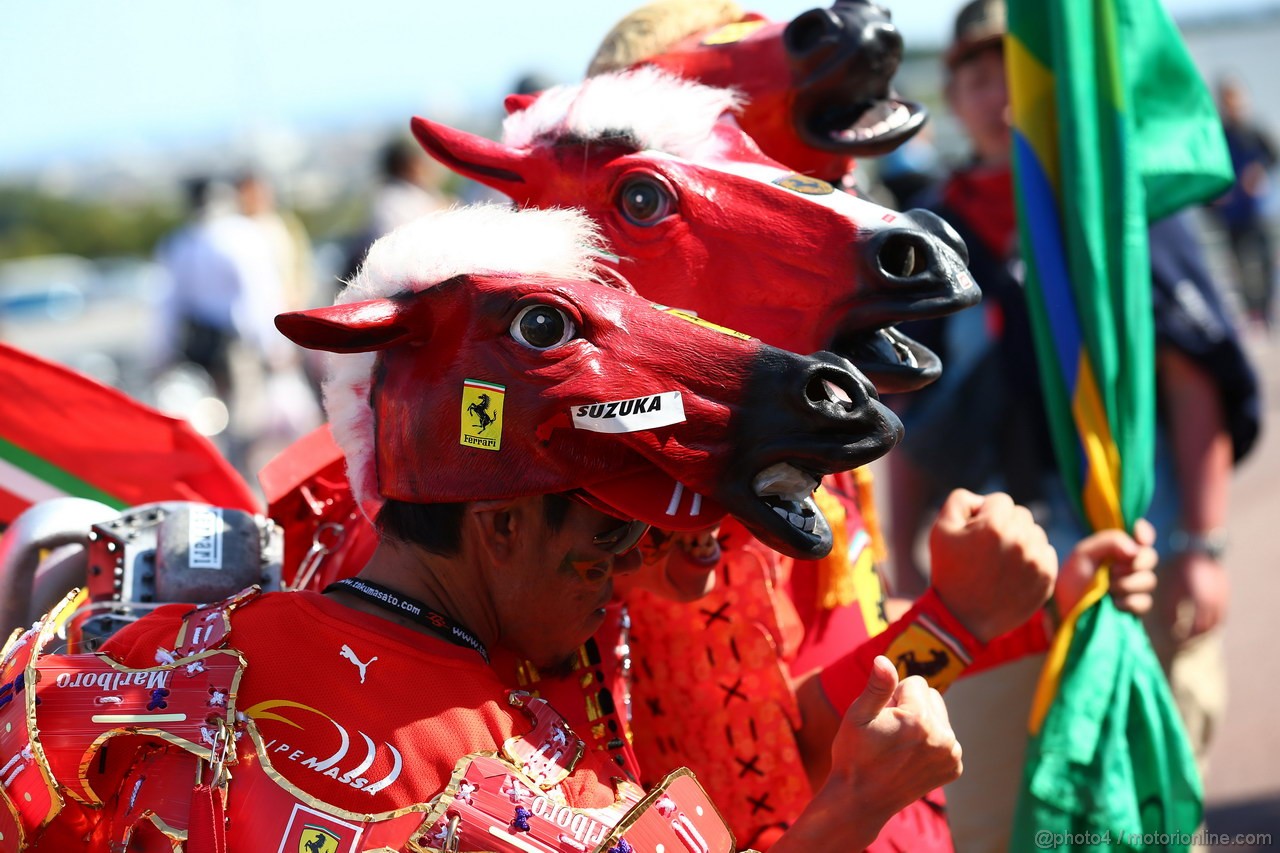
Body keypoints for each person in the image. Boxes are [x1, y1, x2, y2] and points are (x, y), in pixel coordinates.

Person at [8, 206, 963, 852]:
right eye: (601, 542)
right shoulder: (524, 780)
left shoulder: (151, 655)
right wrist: (875, 771)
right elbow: (780, 738)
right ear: (502, 523)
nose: (623, 575)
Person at [886, 2, 1262, 848]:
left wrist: (1202, 548)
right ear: (953, 94)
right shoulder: (930, 234)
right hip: (994, 590)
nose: (1001, 93)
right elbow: (907, 413)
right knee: (991, 815)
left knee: (1148, 815)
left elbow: (1193, 379)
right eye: (979, 75)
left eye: (1017, 67)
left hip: (1133, 565)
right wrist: (902, 556)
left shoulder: (1113, 211)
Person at [1212, 77, 1278, 329]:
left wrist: (1259, 171)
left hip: (1258, 212)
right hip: (1231, 215)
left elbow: (1272, 156)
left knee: (1264, 261)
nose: (1233, 105)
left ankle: (1265, 311)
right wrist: (1215, 194)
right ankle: (1252, 313)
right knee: (1238, 264)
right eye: (1227, 100)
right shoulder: (1219, 134)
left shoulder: (1255, 132)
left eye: (1236, 98)